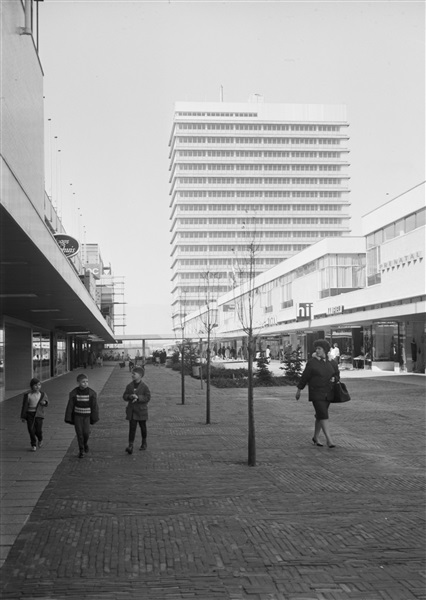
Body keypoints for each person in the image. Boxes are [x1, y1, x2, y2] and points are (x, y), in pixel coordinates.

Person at [295, 339, 339, 448]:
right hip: (316, 393)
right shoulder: (312, 362)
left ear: (325, 350)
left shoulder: (332, 362)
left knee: (320, 415)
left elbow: (337, 374)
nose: (317, 350)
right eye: (316, 348)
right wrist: (299, 389)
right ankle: (329, 440)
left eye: (319, 348)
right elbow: (305, 376)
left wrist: (335, 378)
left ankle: (315, 437)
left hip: (328, 393)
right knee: (323, 414)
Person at [65, 373, 99, 458]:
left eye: (87, 381)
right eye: (83, 382)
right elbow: (70, 406)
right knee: (79, 433)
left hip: (87, 416)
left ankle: (85, 443)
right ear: (78, 382)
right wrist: (68, 417)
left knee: (86, 433)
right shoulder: (74, 393)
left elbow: (94, 406)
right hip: (77, 416)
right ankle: (81, 449)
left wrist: (94, 417)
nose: (85, 383)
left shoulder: (91, 393)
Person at [123, 366, 151, 455]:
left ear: (140, 375)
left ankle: (144, 442)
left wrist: (138, 397)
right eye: (132, 373)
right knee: (132, 428)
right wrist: (129, 396)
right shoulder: (129, 386)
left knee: (143, 427)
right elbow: (125, 396)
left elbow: (147, 397)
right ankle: (130, 445)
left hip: (141, 410)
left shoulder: (145, 387)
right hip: (132, 411)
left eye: (134, 374)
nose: (132, 375)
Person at [21, 378, 49, 451]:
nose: (37, 386)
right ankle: (33, 444)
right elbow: (24, 406)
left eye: (39, 385)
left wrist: (44, 403)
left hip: (39, 415)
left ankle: (40, 438)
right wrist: (23, 417)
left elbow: (46, 402)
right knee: (31, 430)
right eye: (35, 385)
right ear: (31, 386)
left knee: (38, 430)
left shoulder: (42, 394)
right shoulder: (28, 395)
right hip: (30, 414)